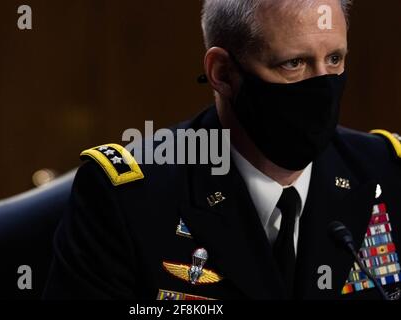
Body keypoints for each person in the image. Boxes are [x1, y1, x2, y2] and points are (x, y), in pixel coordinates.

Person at [44, 0, 401, 300]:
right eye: (293, 64)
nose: (323, 85)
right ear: (223, 73)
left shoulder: (384, 169)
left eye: (335, 59)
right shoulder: (130, 198)